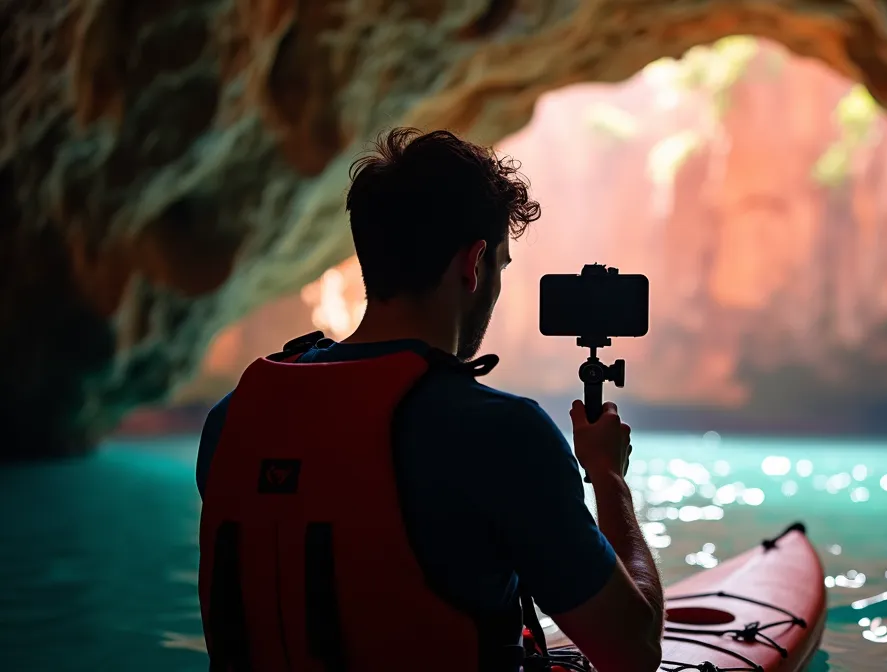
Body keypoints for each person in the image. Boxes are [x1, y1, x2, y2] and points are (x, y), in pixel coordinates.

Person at [194, 128, 664, 672]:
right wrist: (608, 476)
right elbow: (632, 653)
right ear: (473, 263)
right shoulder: (501, 434)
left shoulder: (231, 418)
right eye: (500, 266)